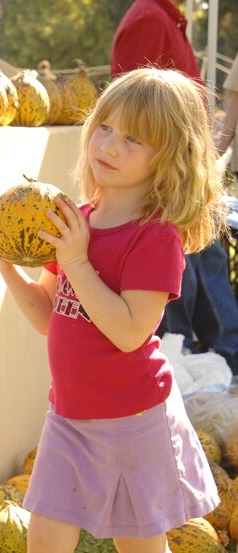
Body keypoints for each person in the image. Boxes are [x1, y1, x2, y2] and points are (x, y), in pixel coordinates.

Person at [0, 68, 223, 553]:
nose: (109, 145)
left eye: (133, 138)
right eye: (105, 127)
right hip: (68, 417)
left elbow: (131, 332)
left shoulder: (154, 238)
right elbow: (50, 316)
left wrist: (78, 259)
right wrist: (8, 266)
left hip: (134, 422)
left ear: (169, 155)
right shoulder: (75, 219)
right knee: (42, 543)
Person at [112, 0, 238, 372]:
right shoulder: (150, 18)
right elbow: (132, 107)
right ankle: (208, 360)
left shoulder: (166, 18)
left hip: (186, 169)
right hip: (169, 173)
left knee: (202, 264)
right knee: (180, 273)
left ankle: (214, 359)